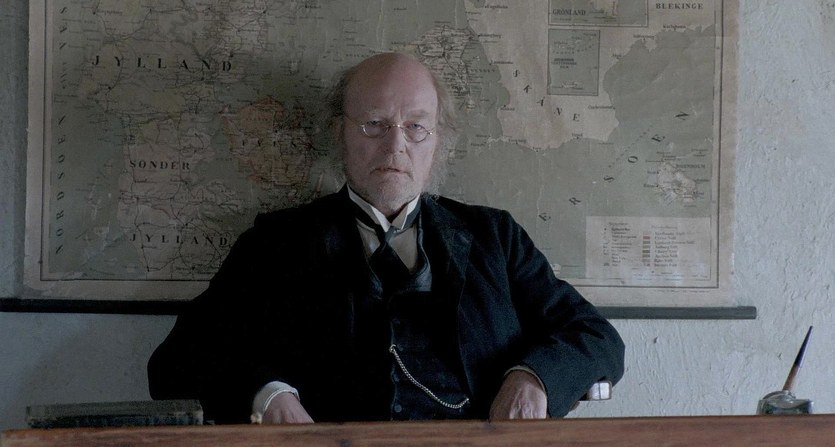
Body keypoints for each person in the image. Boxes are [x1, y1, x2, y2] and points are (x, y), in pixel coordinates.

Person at [148, 52, 625, 424]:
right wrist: (267, 396)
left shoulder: (494, 237)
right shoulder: (276, 243)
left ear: (437, 141)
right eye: (374, 124)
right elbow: (177, 361)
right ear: (340, 132)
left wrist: (534, 378)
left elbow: (596, 337)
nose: (396, 145)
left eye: (415, 127)